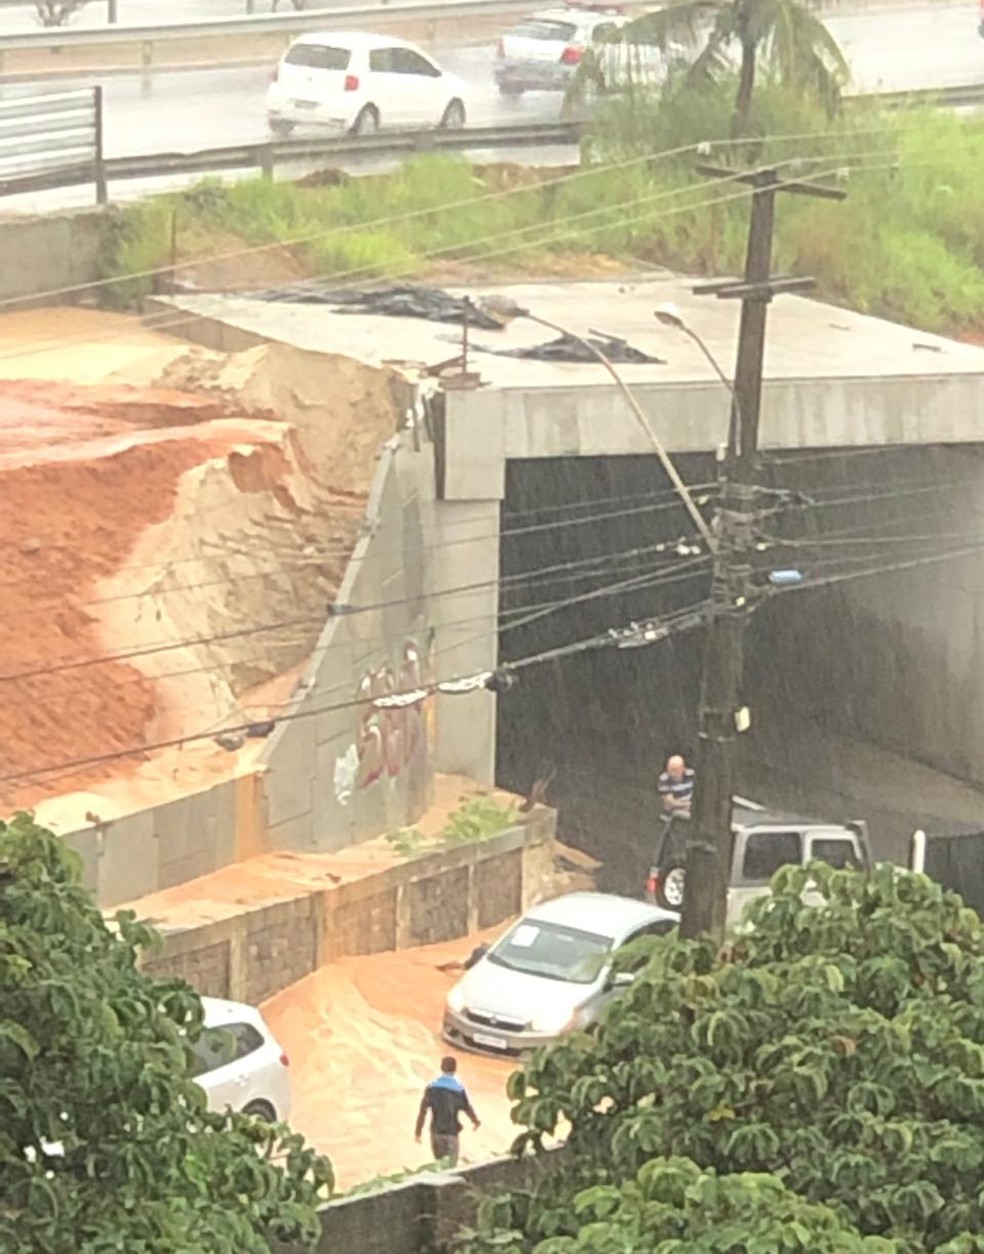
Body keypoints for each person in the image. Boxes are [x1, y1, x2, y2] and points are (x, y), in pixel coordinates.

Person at [414, 1056, 480, 1166]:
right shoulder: (459, 1089)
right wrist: (475, 1121)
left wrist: (418, 1133)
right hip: (451, 1134)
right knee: (451, 1168)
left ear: (441, 1068)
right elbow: (467, 1108)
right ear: (455, 1069)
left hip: (436, 1133)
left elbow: (422, 1111)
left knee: (439, 1166)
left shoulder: (431, 1087)